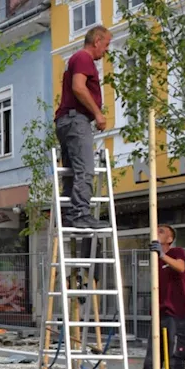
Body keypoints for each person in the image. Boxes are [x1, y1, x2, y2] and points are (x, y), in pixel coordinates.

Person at [55, 25, 113, 231]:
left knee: (72, 171)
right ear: (97, 41)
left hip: (68, 121)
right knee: (85, 169)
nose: (106, 50)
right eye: (106, 45)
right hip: (76, 120)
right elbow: (78, 87)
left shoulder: (78, 59)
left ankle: (70, 214)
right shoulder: (83, 58)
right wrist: (97, 113)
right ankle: (80, 212)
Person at [140, 224, 185, 369]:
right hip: (158, 316)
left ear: (170, 239)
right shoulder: (156, 258)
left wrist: (162, 255)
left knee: (175, 365)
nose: (156, 232)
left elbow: (180, 267)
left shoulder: (176, 252)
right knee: (150, 367)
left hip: (177, 317)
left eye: (161, 231)